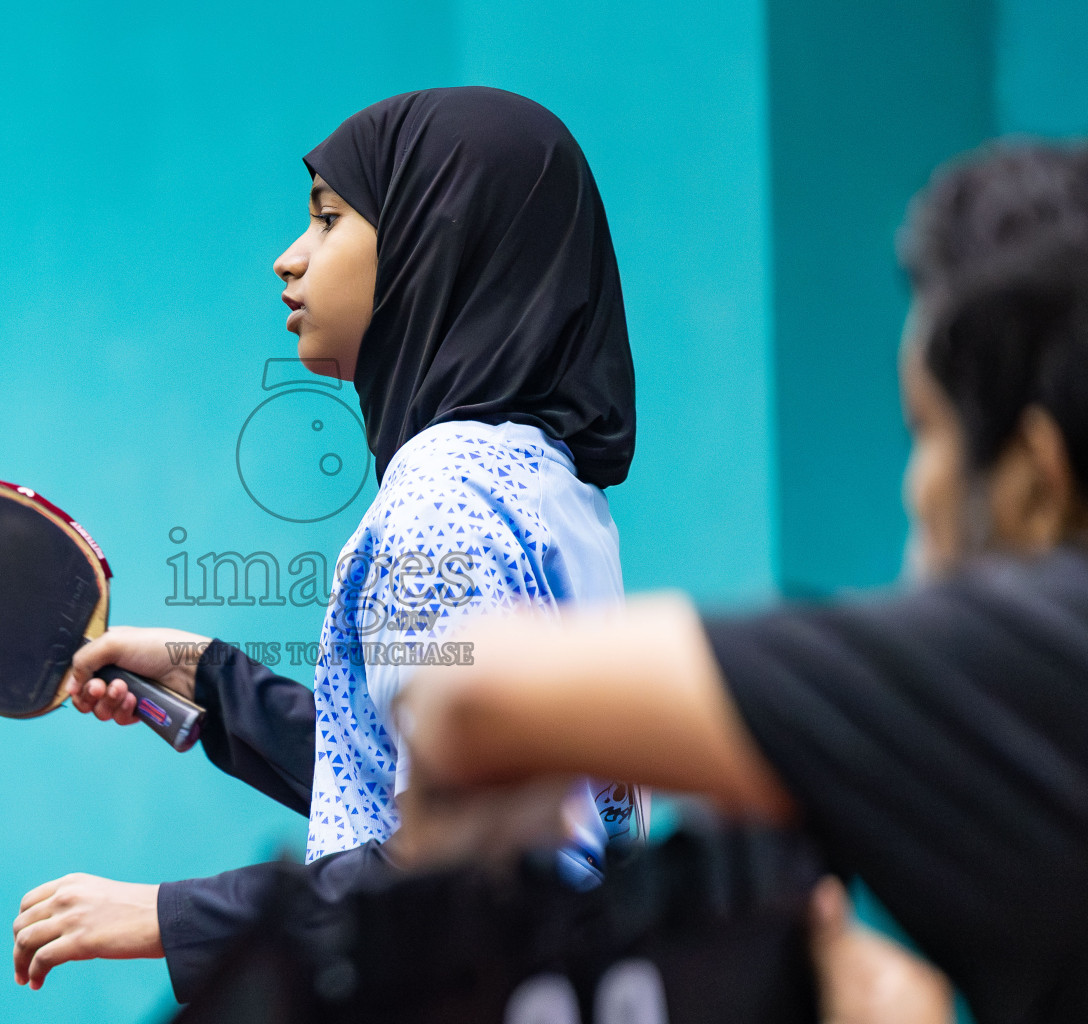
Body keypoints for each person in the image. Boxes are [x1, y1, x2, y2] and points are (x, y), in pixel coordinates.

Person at [392, 141, 1088, 1024]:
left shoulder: (1049, 661)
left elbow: (473, 693)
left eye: (929, 429)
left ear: (1035, 475)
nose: (918, 486)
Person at [8, 87, 644, 1001]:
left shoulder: (444, 491)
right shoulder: (551, 487)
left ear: (437, 236)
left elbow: (474, 867)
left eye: (328, 218)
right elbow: (441, 790)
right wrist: (214, 683)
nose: (288, 258)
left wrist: (168, 916)